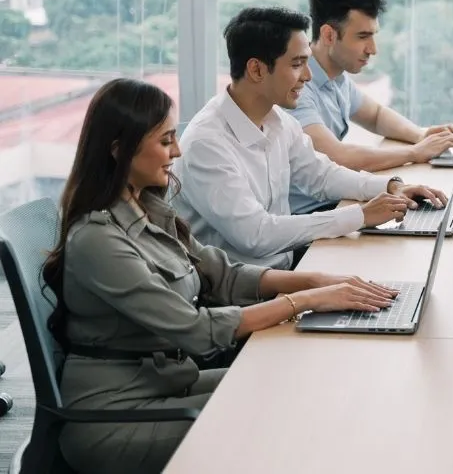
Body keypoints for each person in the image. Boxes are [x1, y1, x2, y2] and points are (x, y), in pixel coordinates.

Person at [42, 78, 401, 474]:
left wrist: (316, 280)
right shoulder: (99, 240)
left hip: (167, 381)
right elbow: (194, 329)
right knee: (282, 420)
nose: (176, 151)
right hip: (118, 417)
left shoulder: (149, 208)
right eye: (165, 141)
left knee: (295, 383)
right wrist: (306, 302)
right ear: (118, 151)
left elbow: (222, 274)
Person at [174, 6, 446, 270]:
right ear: (256, 70)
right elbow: (256, 236)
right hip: (242, 296)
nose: (307, 76)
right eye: (297, 64)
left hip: (284, 265)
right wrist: (360, 216)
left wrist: (389, 187)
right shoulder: (206, 144)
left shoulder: (277, 120)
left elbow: (321, 176)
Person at [288, 0, 453, 214]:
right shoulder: (296, 87)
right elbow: (337, 157)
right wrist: (415, 153)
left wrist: (421, 136)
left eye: (373, 36)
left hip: (336, 204)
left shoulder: (336, 76)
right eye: (363, 37)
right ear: (329, 35)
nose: (372, 49)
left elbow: (376, 115)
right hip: (309, 219)